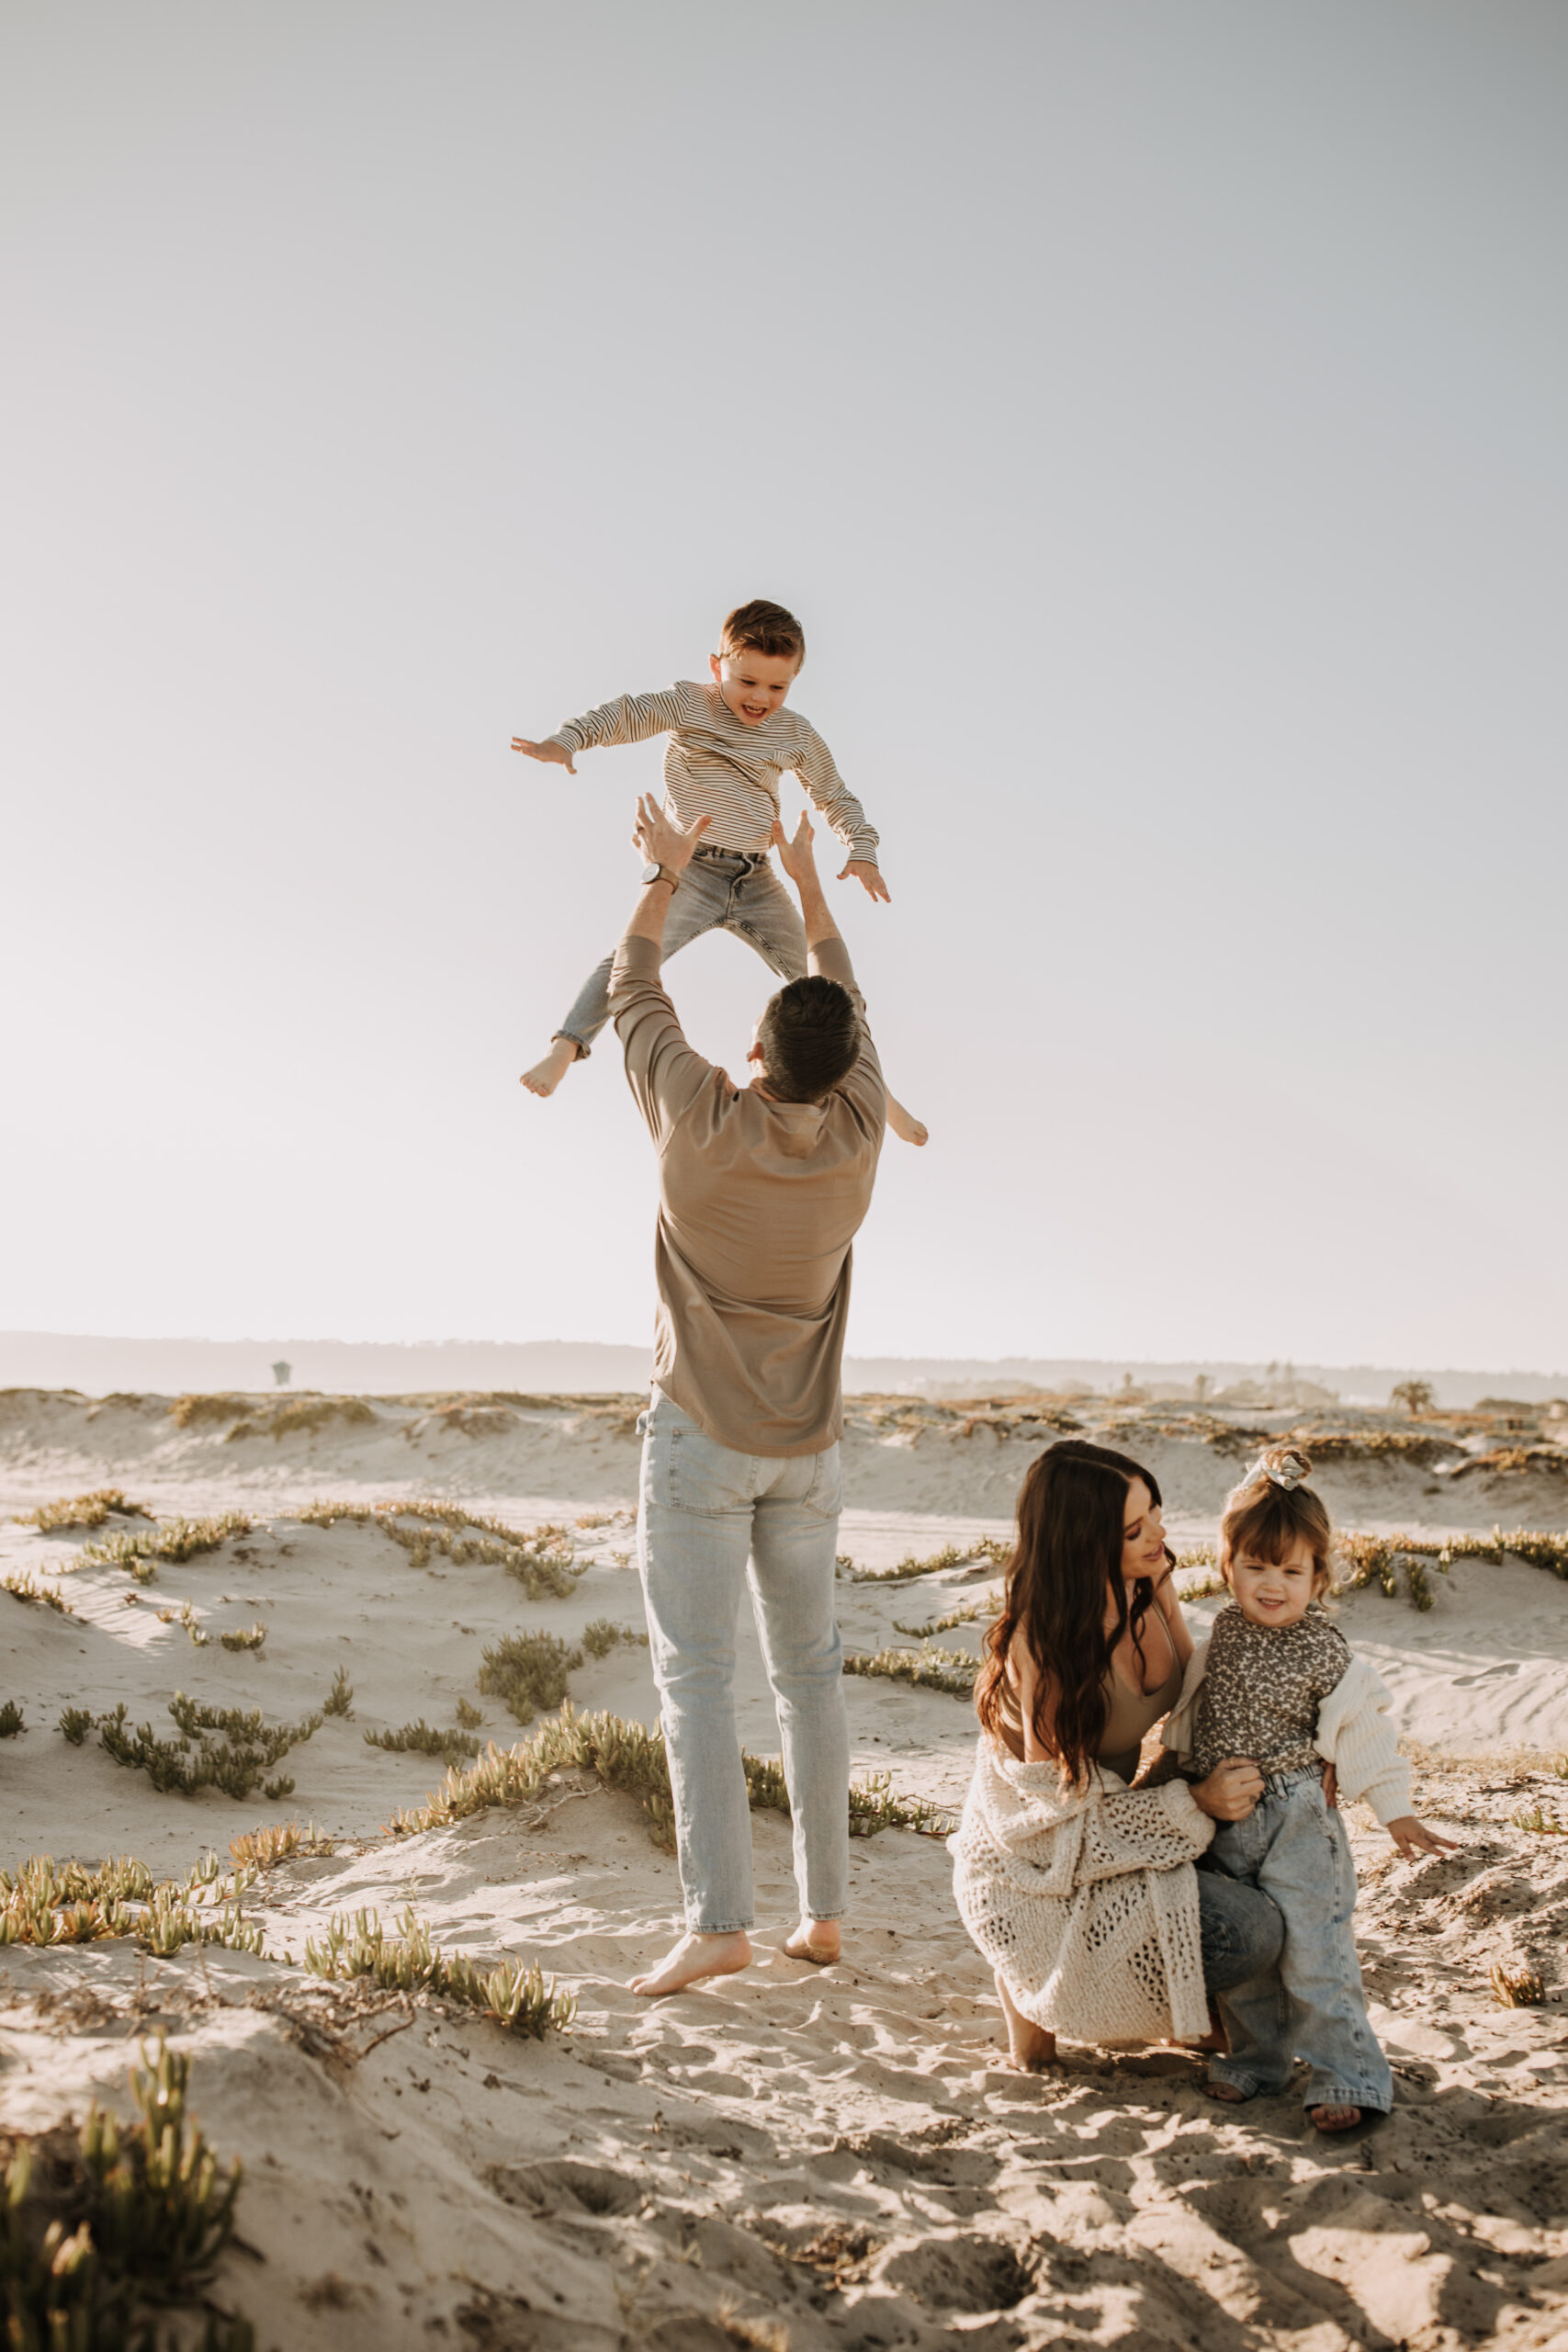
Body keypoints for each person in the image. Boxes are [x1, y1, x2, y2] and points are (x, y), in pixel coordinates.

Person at [608, 787, 886, 1997]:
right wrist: (808, 888)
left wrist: (668, 873)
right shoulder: (858, 1133)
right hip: (805, 1453)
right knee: (808, 1677)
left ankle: (719, 1920)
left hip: (698, 1445)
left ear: (758, 1054)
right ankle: (821, 1917)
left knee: (695, 1682)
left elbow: (632, 987)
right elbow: (845, 1004)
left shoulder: (695, 1121)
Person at [510, 596, 927, 1145]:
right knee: (629, 961)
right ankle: (564, 1047)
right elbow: (623, 715)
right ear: (717, 667)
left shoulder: (795, 734)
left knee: (827, 990)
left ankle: (877, 1088)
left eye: (777, 688)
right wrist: (566, 740)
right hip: (693, 873)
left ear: (794, 681)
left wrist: (862, 848)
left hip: (757, 880)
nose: (760, 699)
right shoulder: (688, 705)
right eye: (747, 682)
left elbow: (833, 794)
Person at [952, 1440, 1287, 2068]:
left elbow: (1194, 1690)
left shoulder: (1146, 1579)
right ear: (1084, 1544)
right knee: (1250, 1930)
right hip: (1034, 1866)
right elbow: (1050, 1827)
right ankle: (1033, 1994)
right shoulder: (1045, 1648)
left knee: (1283, 1854)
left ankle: (1178, 2013)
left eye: (1155, 1510)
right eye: (1135, 1528)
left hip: (1119, 1813)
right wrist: (1193, 1801)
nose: (1158, 1533)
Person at [1160, 1446, 1458, 2132]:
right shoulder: (1223, 1630)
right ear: (1228, 1565)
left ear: (1316, 1576)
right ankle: (1257, 2063)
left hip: (1298, 1818)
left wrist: (1395, 1811)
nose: (1271, 1584)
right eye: (1255, 1566)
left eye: (1290, 1571)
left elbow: (1364, 1733)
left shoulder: (1328, 1650)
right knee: (1251, 1965)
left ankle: (1348, 2075)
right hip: (1226, 1818)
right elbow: (1190, 1710)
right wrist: (1260, 1479)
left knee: (1314, 1955)